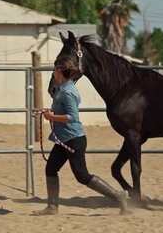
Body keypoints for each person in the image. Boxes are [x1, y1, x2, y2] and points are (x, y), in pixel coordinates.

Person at [33, 57, 129, 216]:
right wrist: (50, 112)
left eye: (55, 69)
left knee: (82, 175)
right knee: (51, 169)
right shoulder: (62, 87)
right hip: (64, 139)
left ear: (60, 72)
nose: (53, 72)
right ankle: (52, 207)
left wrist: (52, 118)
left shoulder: (67, 91)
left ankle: (118, 196)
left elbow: (72, 117)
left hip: (73, 140)